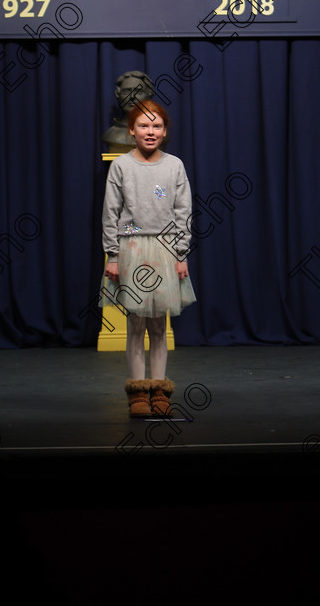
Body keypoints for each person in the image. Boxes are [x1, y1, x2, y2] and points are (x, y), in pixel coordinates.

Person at [100, 99, 196, 417]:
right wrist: (112, 255)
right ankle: (137, 392)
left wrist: (181, 253)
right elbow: (110, 213)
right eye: (143, 125)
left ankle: (159, 391)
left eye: (156, 125)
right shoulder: (122, 167)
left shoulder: (173, 166)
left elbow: (182, 211)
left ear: (165, 131)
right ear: (131, 130)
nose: (150, 131)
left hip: (166, 249)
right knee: (135, 324)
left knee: (158, 325)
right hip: (131, 248)